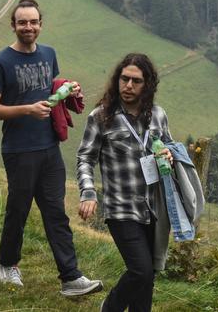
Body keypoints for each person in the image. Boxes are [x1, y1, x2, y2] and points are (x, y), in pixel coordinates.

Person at [0, 0, 103, 297]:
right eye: (22, 22)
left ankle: (70, 277)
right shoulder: (0, 62)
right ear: (13, 26)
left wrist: (68, 91)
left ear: (40, 24)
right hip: (18, 149)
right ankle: (7, 264)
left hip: (49, 146)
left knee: (55, 213)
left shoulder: (49, 54)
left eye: (33, 22)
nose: (28, 27)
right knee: (18, 210)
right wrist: (27, 109)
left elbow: (51, 90)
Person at [76, 53, 176, 312]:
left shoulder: (158, 115)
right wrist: (88, 193)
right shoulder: (101, 116)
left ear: (148, 85)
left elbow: (169, 148)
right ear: (117, 80)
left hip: (154, 206)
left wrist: (169, 154)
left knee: (149, 275)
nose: (128, 86)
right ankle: (109, 308)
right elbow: (85, 158)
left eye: (136, 81)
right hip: (121, 208)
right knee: (140, 271)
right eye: (124, 79)